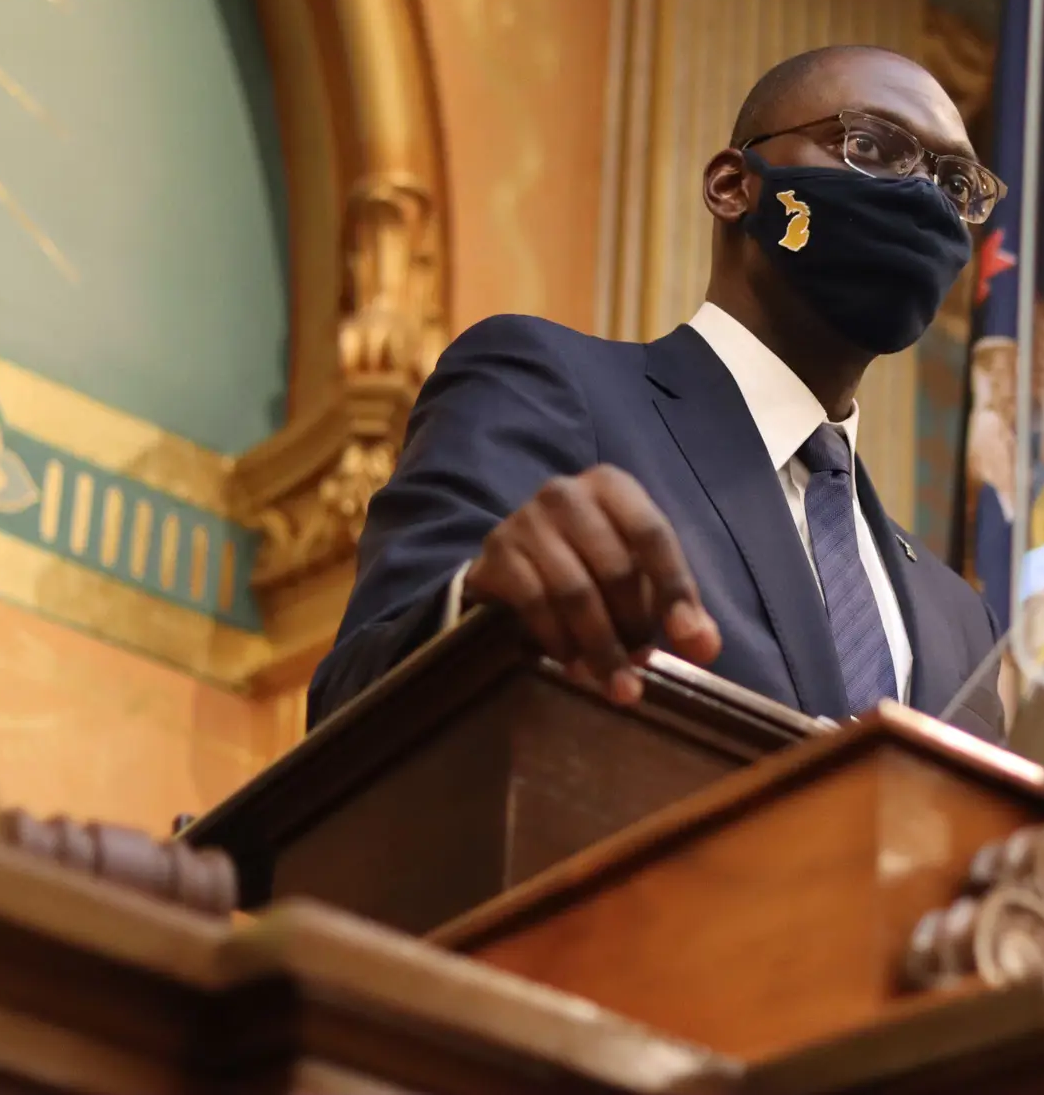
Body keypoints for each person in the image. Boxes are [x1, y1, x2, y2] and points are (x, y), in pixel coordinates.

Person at [308, 46, 1008, 741]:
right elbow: (354, 700)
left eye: (955, 185)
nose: (925, 198)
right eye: (872, 147)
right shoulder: (546, 385)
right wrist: (474, 611)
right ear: (733, 187)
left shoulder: (958, 617)